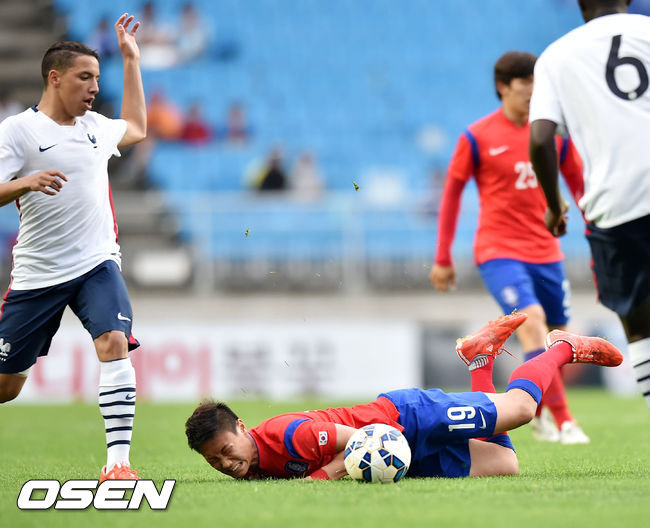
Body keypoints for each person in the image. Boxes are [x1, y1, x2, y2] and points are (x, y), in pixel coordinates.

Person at [185, 313, 623, 480]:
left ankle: (562, 348)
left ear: (241, 427)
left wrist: (323, 478)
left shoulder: (288, 436)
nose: (224, 463)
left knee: (522, 408)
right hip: (401, 455)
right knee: (505, 465)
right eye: (214, 461)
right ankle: (479, 360)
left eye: (225, 450)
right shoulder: (254, 468)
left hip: (408, 418)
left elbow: (366, 438)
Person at [0, 14, 147, 480]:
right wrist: (25, 182)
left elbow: (137, 127)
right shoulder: (18, 131)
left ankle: (118, 465)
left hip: (96, 264)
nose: (94, 88)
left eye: (97, 79)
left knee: (114, 341)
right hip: (38, 275)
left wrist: (130, 60)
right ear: (55, 78)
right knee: (6, 387)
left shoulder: (96, 127)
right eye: (85, 77)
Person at [429, 51, 588, 443]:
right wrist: (443, 257)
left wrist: (599, 237)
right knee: (532, 322)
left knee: (558, 338)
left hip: (547, 251)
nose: (533, 91)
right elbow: (451, 195)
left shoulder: (553, 136)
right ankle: (565, 421)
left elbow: (580, 186)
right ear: (503, 87)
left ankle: (536, 409)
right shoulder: (477, 137)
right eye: (525, 84)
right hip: (498, 251)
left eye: (537, 83)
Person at [529, 0, 650, 407]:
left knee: (640, 327)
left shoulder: (556, 56)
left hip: (617, 206)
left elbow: (541, 138)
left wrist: (553, 204)